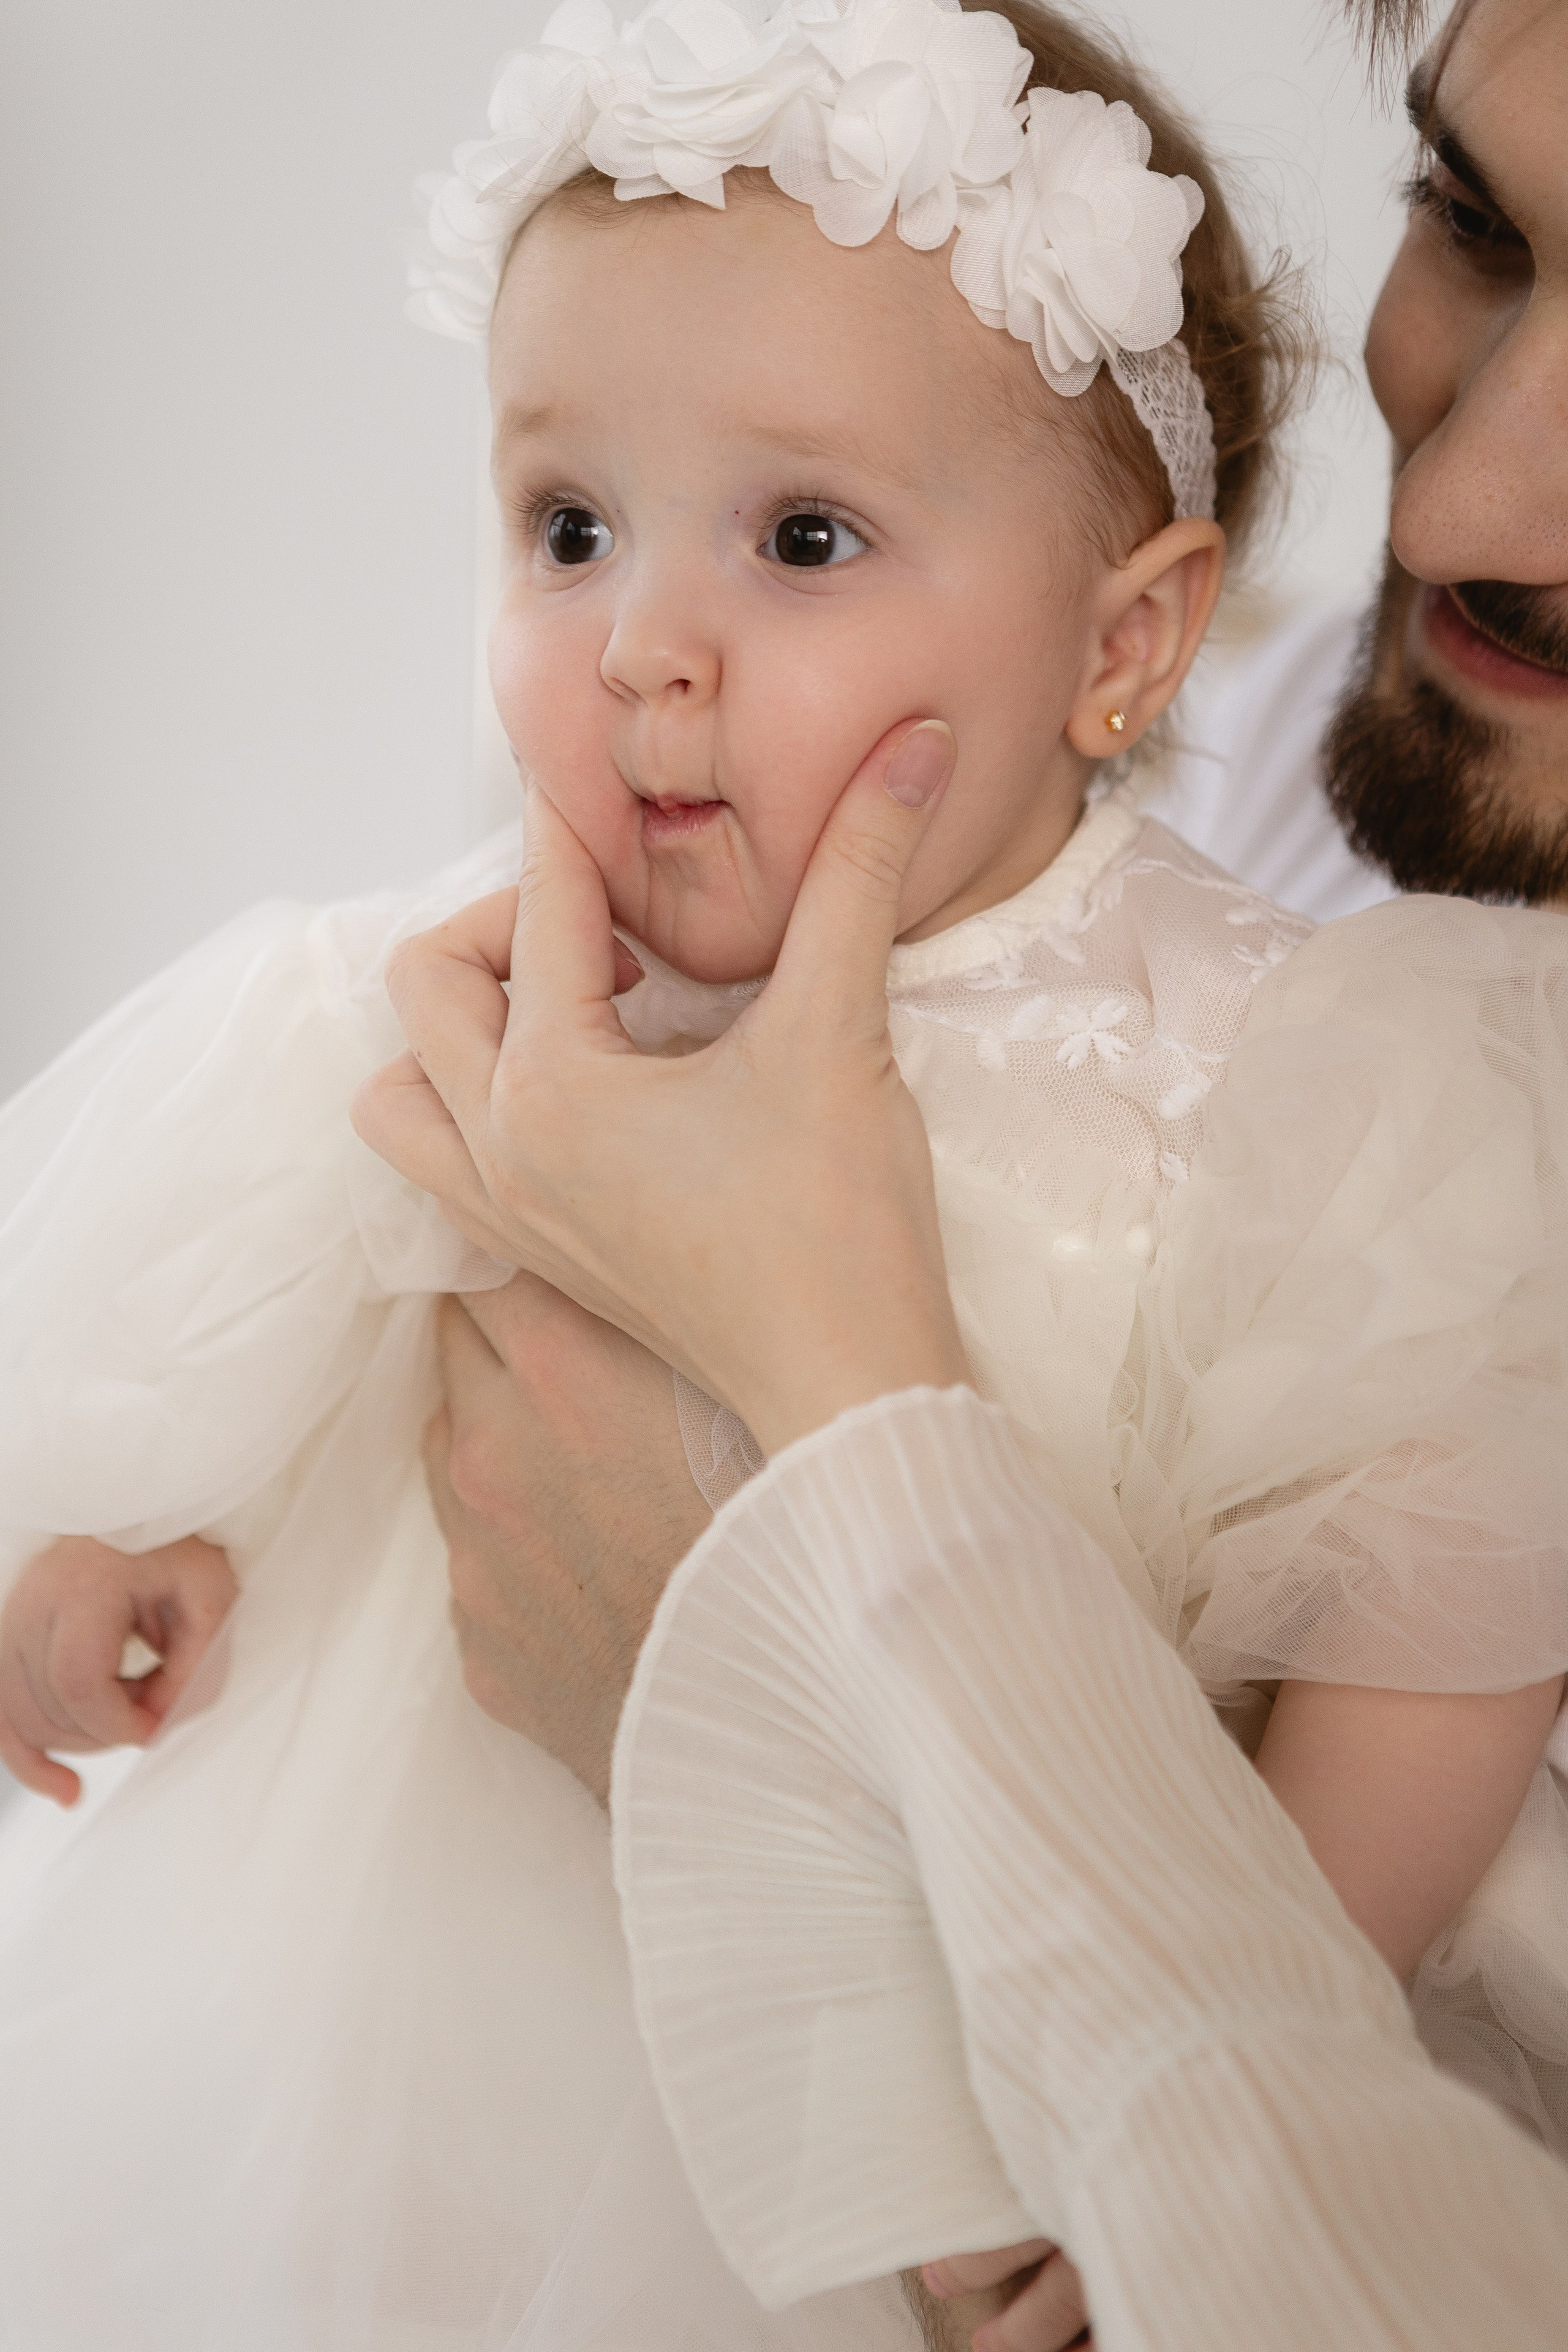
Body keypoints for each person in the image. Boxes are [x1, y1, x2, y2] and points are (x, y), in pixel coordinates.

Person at [0, 2, 1563, 2350]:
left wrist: (1246, 2024)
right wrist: (150, 1543)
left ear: (1122, 644)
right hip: (435, 2052)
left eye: (804, 537)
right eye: (568, 525)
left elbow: (1430, 1646)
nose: (643, 647)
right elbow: (295, 1283)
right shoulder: (486, 980)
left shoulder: (1318, 1087)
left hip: (904, 2196)